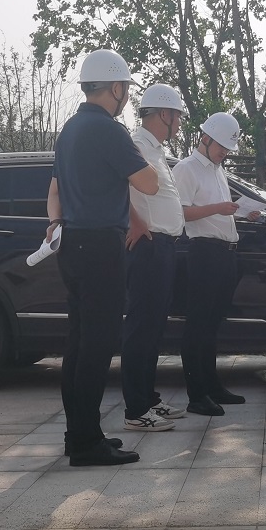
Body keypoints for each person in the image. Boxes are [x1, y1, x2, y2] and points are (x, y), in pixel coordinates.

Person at [47, 49, 158, 466]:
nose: (126, 95)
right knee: (97, 346)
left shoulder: (69, 130)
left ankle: (80, 434)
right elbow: (148, 183)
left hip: (73, 242)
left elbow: (56, 189)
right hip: (100, 247)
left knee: (79, 345)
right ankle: (86, 444)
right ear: (115, 87)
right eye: (125, 88)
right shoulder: (109, 130)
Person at [172, 112, 254, 416]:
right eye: (221, 146)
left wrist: (242, 212)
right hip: (204, 252)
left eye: (228, 148)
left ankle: (212, 386)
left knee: (213, 324)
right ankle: (196, 395)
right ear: (204, 138)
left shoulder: (218, 170)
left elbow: (219, 211)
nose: (224, 153)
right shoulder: (186, 168)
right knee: (198, 324)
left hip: (225, 253)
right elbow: (180, 213)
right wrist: (219, 207)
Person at [121, 84, 187, 432]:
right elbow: (115, 183)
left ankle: (148, 399)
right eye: (178, 116)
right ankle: (135, 410)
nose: (179, 123)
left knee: (154, 327)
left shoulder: (156, 149)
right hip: (148, 246)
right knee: (141, 328)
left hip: (163, 246)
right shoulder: (135, 144)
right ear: (164, 114)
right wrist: (134, 220)